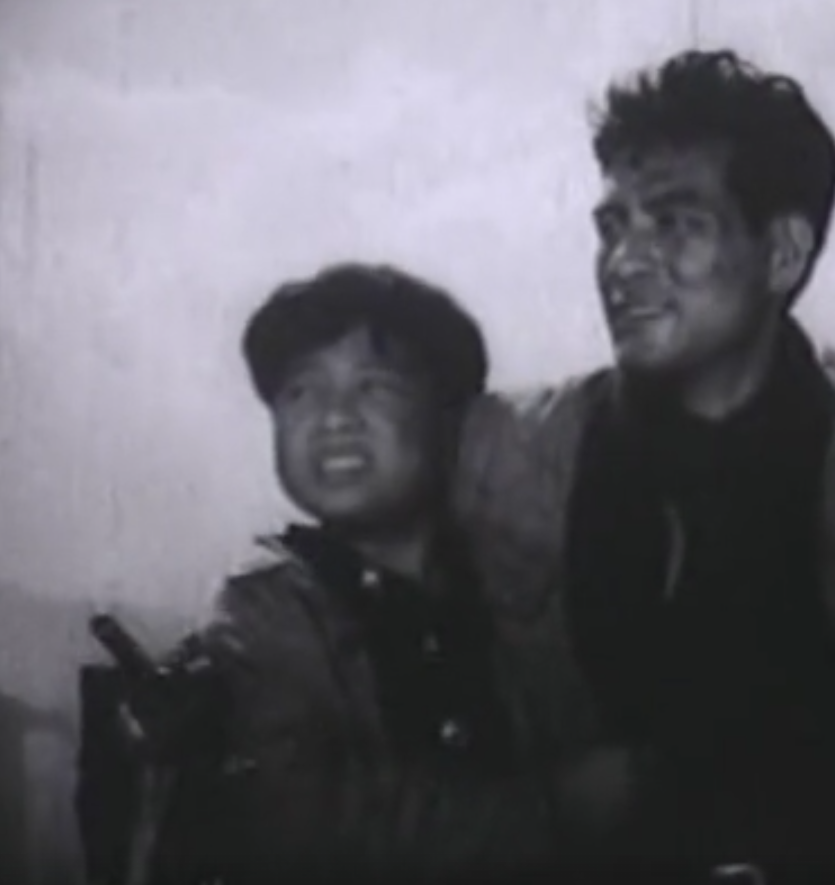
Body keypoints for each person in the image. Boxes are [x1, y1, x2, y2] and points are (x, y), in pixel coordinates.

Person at [449, 49, 835, 883]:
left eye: (674, 222)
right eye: (612, 226)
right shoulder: (502, 453)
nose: (623, 263)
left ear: (783, 252)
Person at [81, 264, 565, 885]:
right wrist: (558, 812)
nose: (334, 417)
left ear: (451, 418)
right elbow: (305, 825)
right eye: (300, 393)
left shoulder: (509, 584)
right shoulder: (265, 606)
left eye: (374, 387)